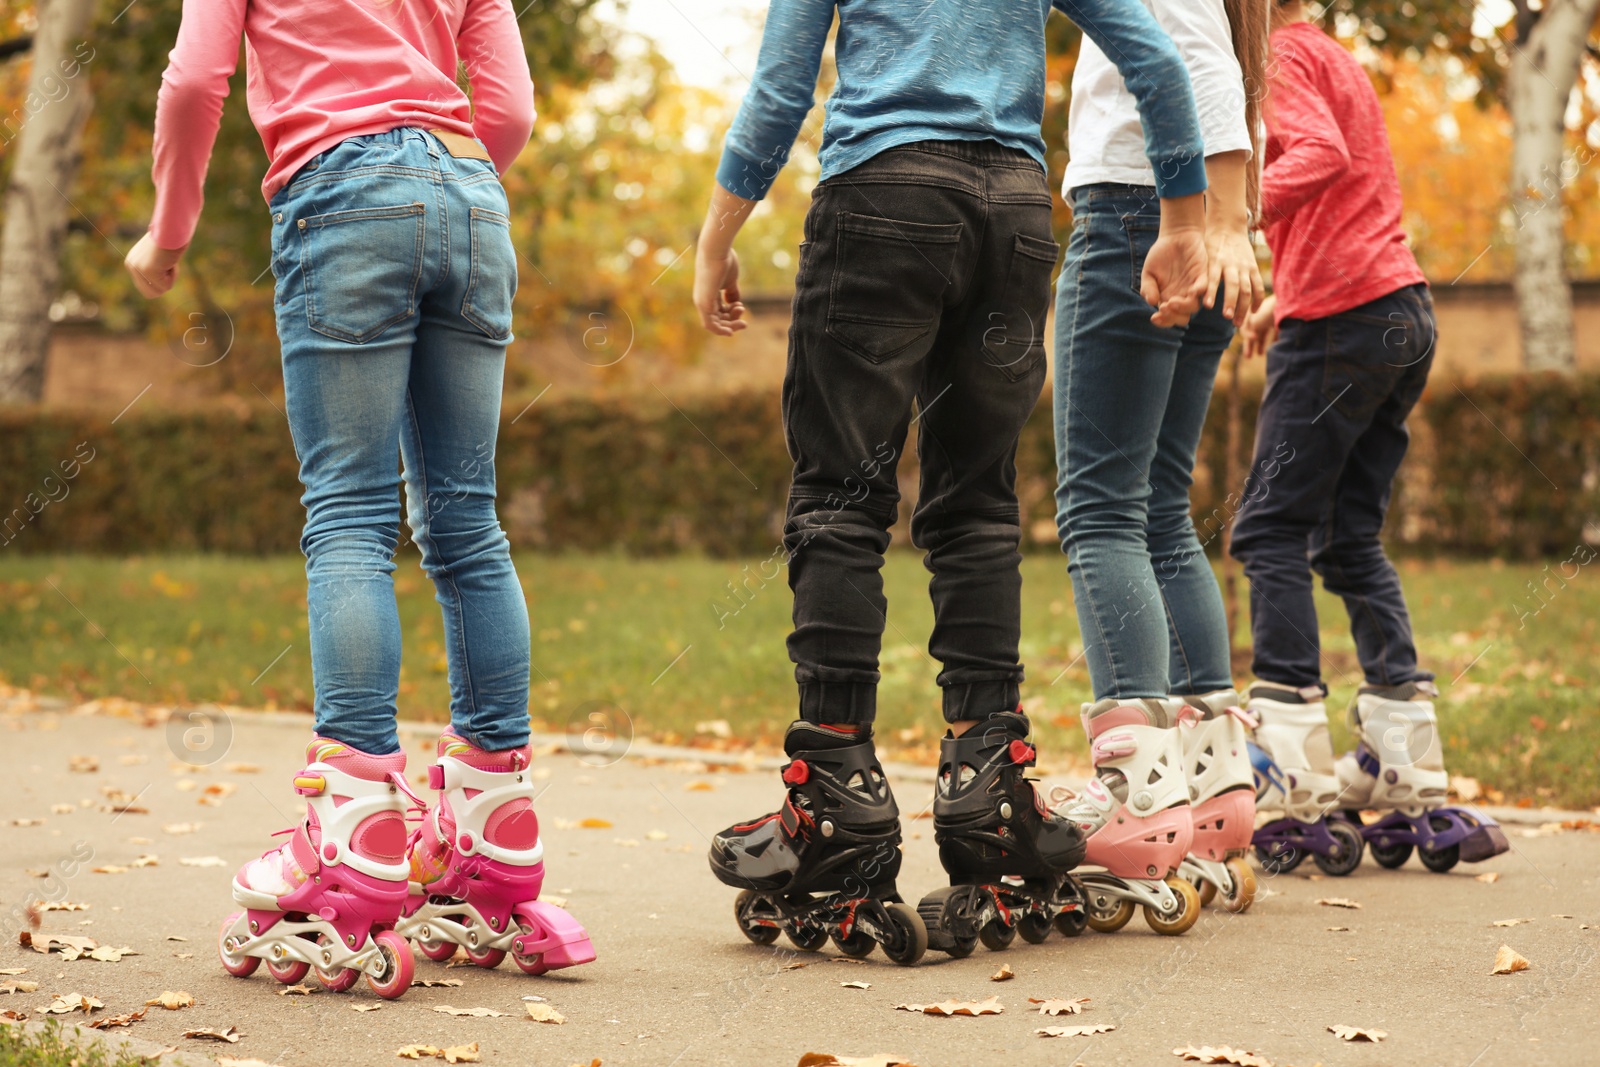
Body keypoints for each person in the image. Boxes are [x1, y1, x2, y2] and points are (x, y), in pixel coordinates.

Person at [691, 0, 1213, 962]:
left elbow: (780, 87)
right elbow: (1155, 52)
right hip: (1013, 211)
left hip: (879, 198)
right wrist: (1184, 217)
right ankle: (989, 789)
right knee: (977, 507)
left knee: (839, 504)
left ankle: (836, 799)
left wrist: (719, 231)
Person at [125, 0, 593, 996]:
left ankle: (357, 825)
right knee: (468, 518)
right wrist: (442, 172)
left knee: (348, 512)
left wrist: (168, 231)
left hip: (337, 194)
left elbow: (194, 83)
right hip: (469, 191)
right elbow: (508, 106)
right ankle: (494, 829)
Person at [1232, 0, 1508, 874]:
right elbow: (1350, 195)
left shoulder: (1274, 58)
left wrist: (1231, 208)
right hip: (1397, 306)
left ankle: (1292, 758)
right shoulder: (1330, 55)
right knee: (1348, 537)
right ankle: (1406, 753)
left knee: (1268, 529)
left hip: (1345, 319)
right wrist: (1285, 291)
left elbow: (1321, 158)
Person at [1048, 0, 1268, 930]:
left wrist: (1216, 225)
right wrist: (1234, 224)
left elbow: (1193, 74)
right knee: (1159, 511)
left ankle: (1142, 807)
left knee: (1099, 512)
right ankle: (1216, 801)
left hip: (1142, 217)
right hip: (1192, 220)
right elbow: (1226, 76)